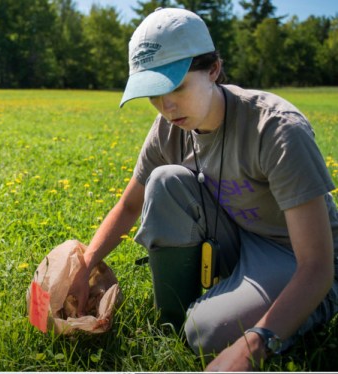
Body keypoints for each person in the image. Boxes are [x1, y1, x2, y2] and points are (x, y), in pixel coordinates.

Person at [68, 7, 338, 371]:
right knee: (164, 180)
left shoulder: (276, 129)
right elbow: (131, 205)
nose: (166, 106)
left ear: (213, 69)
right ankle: (176, 317)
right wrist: (85, 266)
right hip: (234, 233)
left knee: (206, 336)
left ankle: (318, 305)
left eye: (176, 86)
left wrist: (253, 346)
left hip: (291, 253)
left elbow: (317, 264)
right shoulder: (169, 127)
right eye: (153, 94)